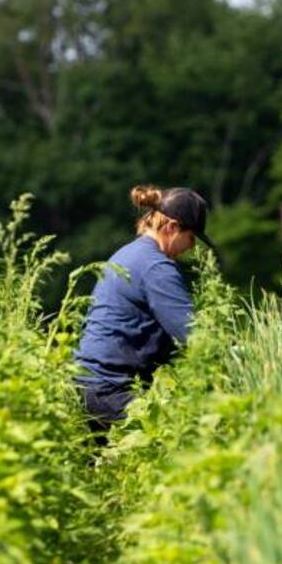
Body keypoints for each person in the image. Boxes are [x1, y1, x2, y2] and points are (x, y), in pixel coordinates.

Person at [74, 185, 216, 432]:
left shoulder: (129, 253)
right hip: (111, 393)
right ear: (172, 227)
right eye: (191, 237)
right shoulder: (156, 267)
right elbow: (194, 335)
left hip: (88, 384)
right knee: (184, 433)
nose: (192, 247)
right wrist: (234, 354)